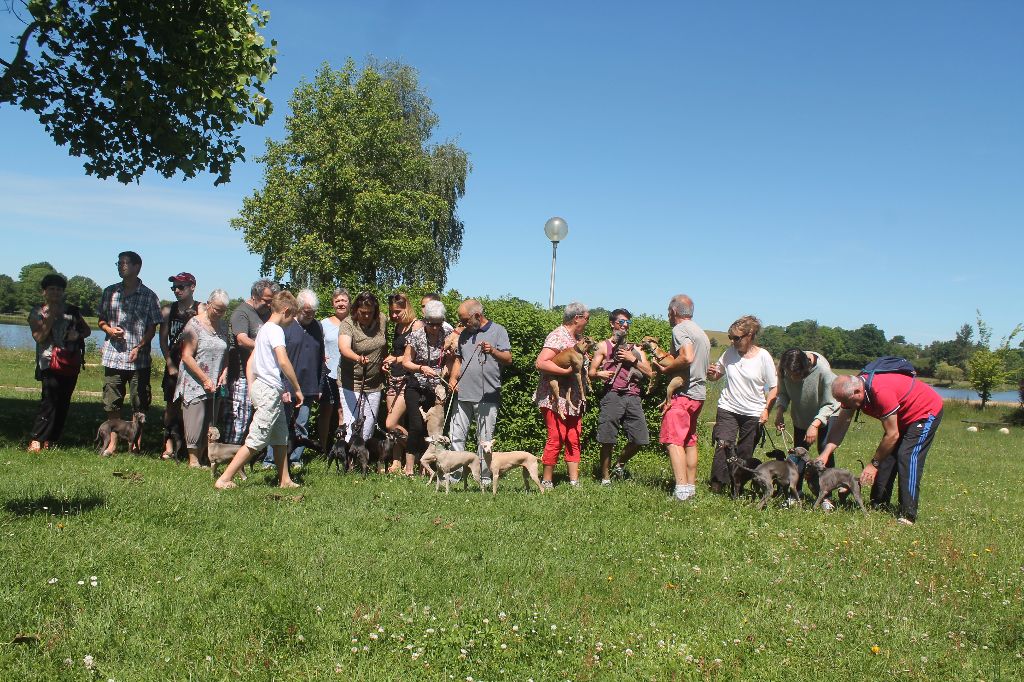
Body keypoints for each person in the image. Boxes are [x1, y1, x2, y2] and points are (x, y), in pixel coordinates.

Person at [821, 368, 943, 525]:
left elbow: (892, 435)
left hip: (925, 412)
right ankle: (879, 503)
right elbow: (840, 426)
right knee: (886, 456)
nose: (844, 405)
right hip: (902, 416)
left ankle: (908, 514)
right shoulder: (850, 392)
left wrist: (873, 465)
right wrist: (826, 452)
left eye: (846, 402)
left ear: (858, 392)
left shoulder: (881, 392)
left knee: (907, 456)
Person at [215, 291, 304, 489]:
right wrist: (297, 388)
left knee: (280, 436)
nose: (293, 320)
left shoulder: (263, 329)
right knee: (258, 437)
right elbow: (283, 360)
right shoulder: (275, 330)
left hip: (266, 389)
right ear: (286, 311)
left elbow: (251, 363)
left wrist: (252, 387)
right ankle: (225, 478)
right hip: (269, 392)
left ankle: (285, 480)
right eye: (293, 316)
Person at [649, 295, 711, 501]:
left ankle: (681, 490)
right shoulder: (700, 332)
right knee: (689, 441)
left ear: (674, 312)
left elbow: (686, 356)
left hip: (684, 394)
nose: (668, 316)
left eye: (668, 312)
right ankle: (690, 487)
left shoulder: (680, 329)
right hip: (699, 395)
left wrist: (667, 368)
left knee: (673, 440)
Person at [707, 315, 778, 495]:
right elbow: (716, 376)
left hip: (753, 412)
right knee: (723, 446)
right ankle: (717, 486)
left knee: (745, 453)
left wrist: (766, 410)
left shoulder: (763, 357)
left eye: (736, 338)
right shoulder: (729, 353)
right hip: (728, 407)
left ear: (750, 335)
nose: (733, 342)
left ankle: (736, 487)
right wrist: (711, 373)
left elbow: (774, 388)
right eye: (730, 338)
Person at [96, 251, 162, 431]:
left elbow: (152, 327)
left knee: (139, 401)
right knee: (111, 400)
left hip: (138, 360)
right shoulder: (109, 292)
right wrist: (109, 330)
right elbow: (101, 319)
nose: (120, 266)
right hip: (113, 357)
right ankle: (112, 442)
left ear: (137, 267)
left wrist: (140, 347)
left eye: (124, 263)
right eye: (118, 263)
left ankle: (135, 442)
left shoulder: (149, 296)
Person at [449, 299, 513, 484]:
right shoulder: (464, 334)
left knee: (484, 440)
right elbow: (458, 360)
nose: (462, 324)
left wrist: (492, 351)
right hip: (463, 393)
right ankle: (454, 477)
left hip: (488, 394)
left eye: (465, 320)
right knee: (456, 436)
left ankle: (484, 479)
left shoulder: (498, 331)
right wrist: (453, 379)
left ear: (477, 315)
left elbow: (508, 358)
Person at [589, 308, 653, 486]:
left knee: (641, 439)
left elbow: (650, 373)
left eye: (628, 323)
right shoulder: (603, 346)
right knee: (607, 438)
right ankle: (605, 478)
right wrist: (599, 374)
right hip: (612, 395)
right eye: (621, 322)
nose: (625, 325)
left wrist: (633, 359)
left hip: (633, 396)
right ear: (612, 324)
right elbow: (591, 372)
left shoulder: (637, 349)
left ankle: (619, 464)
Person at [27, 273, 90, 452]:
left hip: (69, 361)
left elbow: (86, 330)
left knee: (63, 401)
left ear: (63, 292)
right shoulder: (37, 312)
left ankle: (52, 439)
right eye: (52, 289)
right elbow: (39, 337)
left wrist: (77, 334)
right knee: (49, 400)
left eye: (59, 289)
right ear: (44, 292)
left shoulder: (72, 311)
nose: (55, 292)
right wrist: (51, 317)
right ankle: (37, 439)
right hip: (48, 361)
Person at [261, 289, 324, 468]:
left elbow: (320, 356)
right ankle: (270, 460)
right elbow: (278, 360)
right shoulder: (286, 326)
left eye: (313, 313)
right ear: (298, 309)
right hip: (286, 385)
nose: (310, 316)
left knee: (302, 424)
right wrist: (284, 385)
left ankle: (295, 458)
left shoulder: (317, 327)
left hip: (309, 384)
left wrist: (319, 385)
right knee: (280, 423)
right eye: (306, 312)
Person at [534, 302, 591, 489]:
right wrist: (565, 372)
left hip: (573, 398)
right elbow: (541, 363)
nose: (588, 321)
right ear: (577, 318)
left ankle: (574, 481)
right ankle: (547, 480)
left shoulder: (579, 338)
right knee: (557, 436)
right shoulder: (558, 335)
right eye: (587, 318)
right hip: (554, 397)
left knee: (574, 436)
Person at [774, 348, 841, 503]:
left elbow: (831, 403)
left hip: (825, 416)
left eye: (795, 375)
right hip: (801, 417)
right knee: (798, 454)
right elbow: (783, 393)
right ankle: (795, 494)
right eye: (789, 374)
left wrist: (815, 424)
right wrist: (780, 411)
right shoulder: (784, 369)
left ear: (805, 367)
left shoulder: (823, 370)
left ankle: (827, 497)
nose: (791, 377)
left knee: (824, 452)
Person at [175, 290, 230, 468]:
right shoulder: (194, 325)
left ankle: (206, 456)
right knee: (195, 420)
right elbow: (187, 356)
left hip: (216, 381)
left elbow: (226, 352)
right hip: (195, 381)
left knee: (210, 421)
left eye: (223, 311)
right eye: (217, 310)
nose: (220, 314)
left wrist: (224, 372)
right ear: (208, 304)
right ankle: (193, 460)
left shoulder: (222, 326)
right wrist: (205, 379)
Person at [401, 300, 456, 474]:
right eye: (431, 324)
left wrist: (448, 365)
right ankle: (409, 467)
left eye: (438, 324)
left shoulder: (448, 332)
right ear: (425, 321)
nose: (434, 328)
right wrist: (421, 368)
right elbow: (406, 362)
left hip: (436, 388)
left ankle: (427, 467)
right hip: (416, 385)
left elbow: (452, 358)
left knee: (434, 428)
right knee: (416, 426)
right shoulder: (415, 335)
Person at [224, 279, 279, 444]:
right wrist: (266, 347)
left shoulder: (266, 314)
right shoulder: (241, 313)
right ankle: (229, 453)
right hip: (241, 375)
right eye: (267, 301)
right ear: (254, 296)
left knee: (253, 419)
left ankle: (243, 455)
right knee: (239, 418)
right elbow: (242, 340)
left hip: (260, 375)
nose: (269, 305)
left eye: (272, 301)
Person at [338, 291, 387, 447]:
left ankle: (361, 456)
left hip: (374, 382)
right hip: (350, 381)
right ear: (355, 310)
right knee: (351, 420)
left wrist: (384, 362)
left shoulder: (382, 320)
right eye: (363, 313)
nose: (366, 316)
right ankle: (348, 459)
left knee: (368, 423)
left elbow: (383, 345)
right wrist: (358, 358)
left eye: (370, 313)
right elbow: (343, 348)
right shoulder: (348, 323)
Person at [160, 272, 199, 459]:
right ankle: (167, 445)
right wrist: (169, 364)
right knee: (171, 405)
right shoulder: (168, 310)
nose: (176, 290)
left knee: (191, 406)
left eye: (181, 287)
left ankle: (186, 445)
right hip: (174, 363)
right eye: (174, 287)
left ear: (192, 287)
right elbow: (163, 341)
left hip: (194, 365)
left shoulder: (202, 310)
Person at [382, 292, 423, 471]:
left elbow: (414, 356)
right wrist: (388, 363)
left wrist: (394, 359)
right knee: (395, 425)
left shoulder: (417, 326)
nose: (394, 316)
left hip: (409, 379)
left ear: (407, 308)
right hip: (393, 378)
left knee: (391, 423)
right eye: (391, 312)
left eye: (397, 312)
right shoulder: (398, 327)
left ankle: (421, 451)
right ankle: (396, 461)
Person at [318, 288, 349, 451]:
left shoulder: (354, 322)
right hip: (329, 373)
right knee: (326, 412)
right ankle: (322, 448)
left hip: (348, 373)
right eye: (337, 301)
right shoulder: (324, 323)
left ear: (349, 303)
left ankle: (341, 448)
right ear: (332, 304)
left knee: (343, 411)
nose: (341, 304)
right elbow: (318, 346)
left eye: (344, 300)